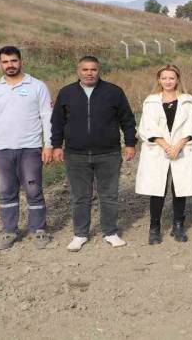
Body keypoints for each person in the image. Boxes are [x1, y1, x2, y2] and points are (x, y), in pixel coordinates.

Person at [51, 56, 137, 252]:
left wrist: (130, 143)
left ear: (99, 70)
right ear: (78, 71)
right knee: (80, 196)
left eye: (93, 69)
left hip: (108, 153)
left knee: (109, 195)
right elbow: (57, 122)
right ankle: (80, 234)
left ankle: (110, 232)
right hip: (76, 154)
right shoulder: (66, 93)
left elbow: (127, 119)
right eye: (85, 69)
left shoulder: (113, 92)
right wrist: (57, 145)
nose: (89, 73)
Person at [0, 46, 54, 250]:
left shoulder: (37, 86)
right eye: (5, 62)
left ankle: (38, 229)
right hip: (2, 149)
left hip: (30, 148)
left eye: (13, 61)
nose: (10, 65)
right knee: (6, 191)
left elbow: (47, 116)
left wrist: (49, 144)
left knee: (33, 189)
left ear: (21, 61)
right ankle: (9, 231)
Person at [135, 64, 192, 244]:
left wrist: (179, 144)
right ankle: (154, 227)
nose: (168, 81)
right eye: (164, 78)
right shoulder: (150, 101)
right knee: (157, 189)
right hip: (158, 150)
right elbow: (146, 127)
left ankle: (178, 225)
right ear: (159, 80)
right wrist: (164, 144)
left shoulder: (188, 100)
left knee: (180, 189)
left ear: (178, 79)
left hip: (183, 149)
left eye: (171, 78)